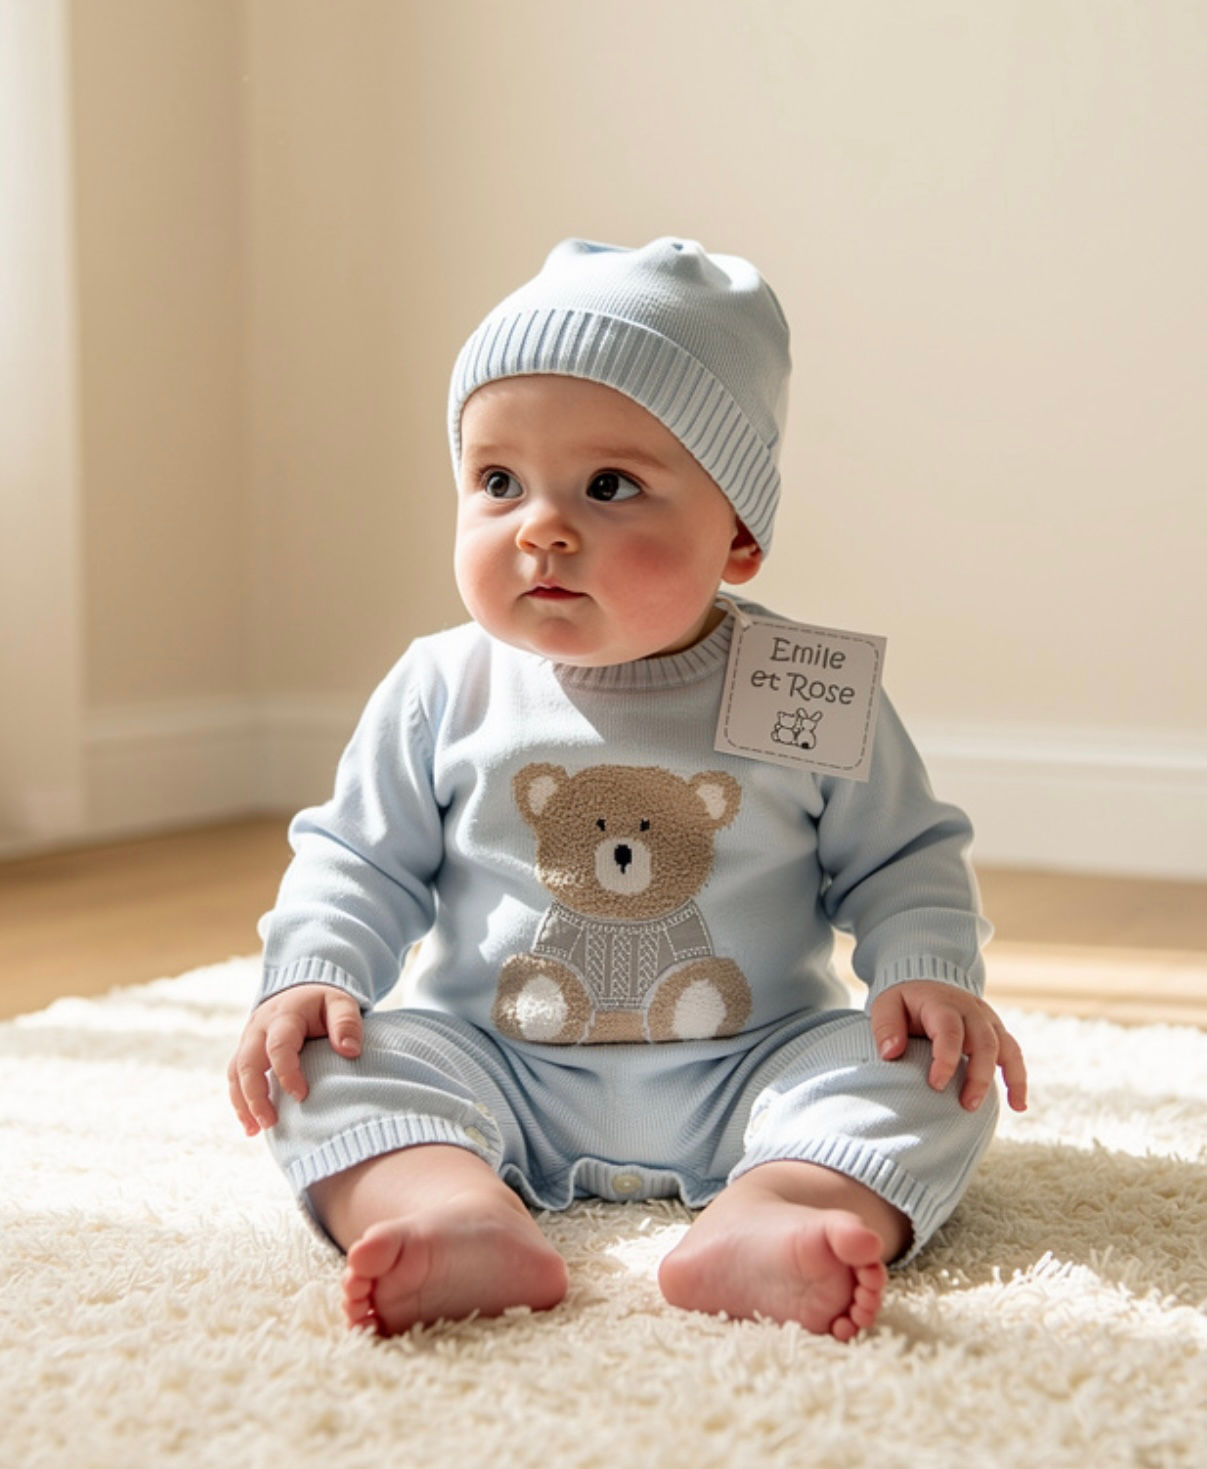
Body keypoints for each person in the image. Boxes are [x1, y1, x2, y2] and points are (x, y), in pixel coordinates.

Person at [228, 237, 1027, 1342]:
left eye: (609, 486)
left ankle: (783, 1204)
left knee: (938, 1069)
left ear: (737, 533)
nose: (540, 525)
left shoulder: (806, 689)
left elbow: (902, 855)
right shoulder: (440, 684)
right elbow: (357, 856)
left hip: (756, 1063)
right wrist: (313, 974)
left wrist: (928, 975)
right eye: (497, 481)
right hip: (492, 1059)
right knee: (322, 1058)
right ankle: (445, 1201)